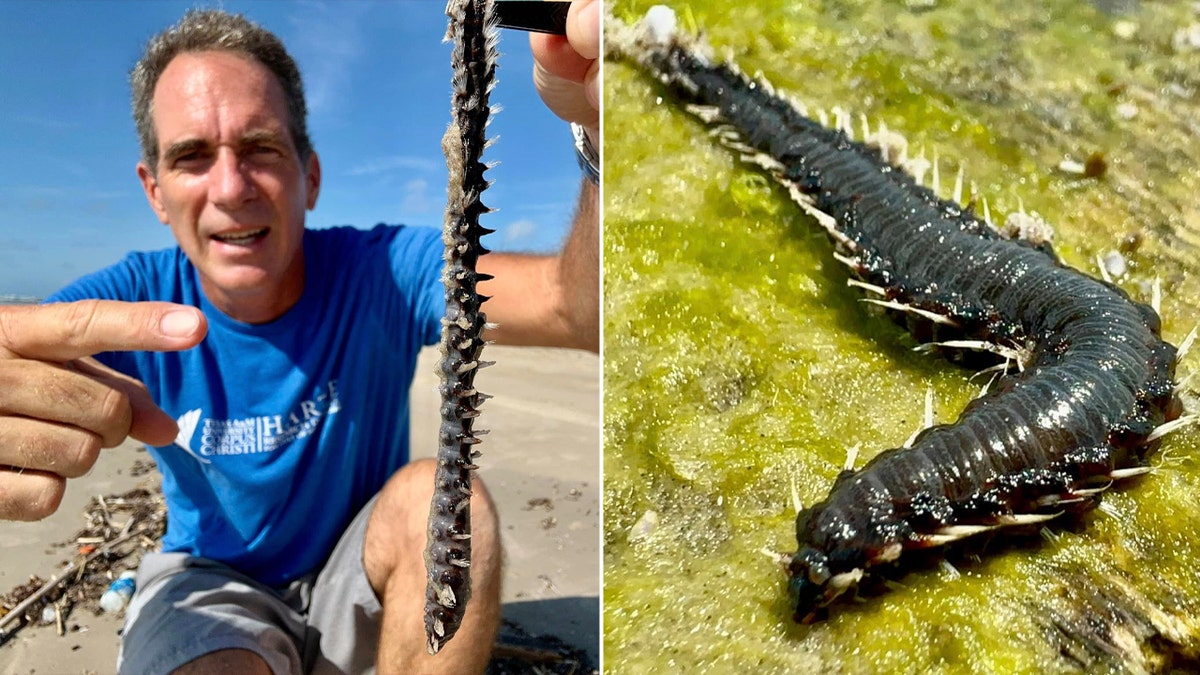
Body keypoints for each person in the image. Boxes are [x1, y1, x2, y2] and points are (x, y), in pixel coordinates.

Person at [0, 2, 599, 674]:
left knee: (444, 501)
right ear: (156, 192)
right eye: (192, 157)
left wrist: (603, 135)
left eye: (260, 148)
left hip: (362, 571)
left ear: (309, 176)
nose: (230, 188)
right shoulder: (128, 300)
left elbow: (574, 308)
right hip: (210, 579)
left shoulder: (382, 272)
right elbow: (18, 354)